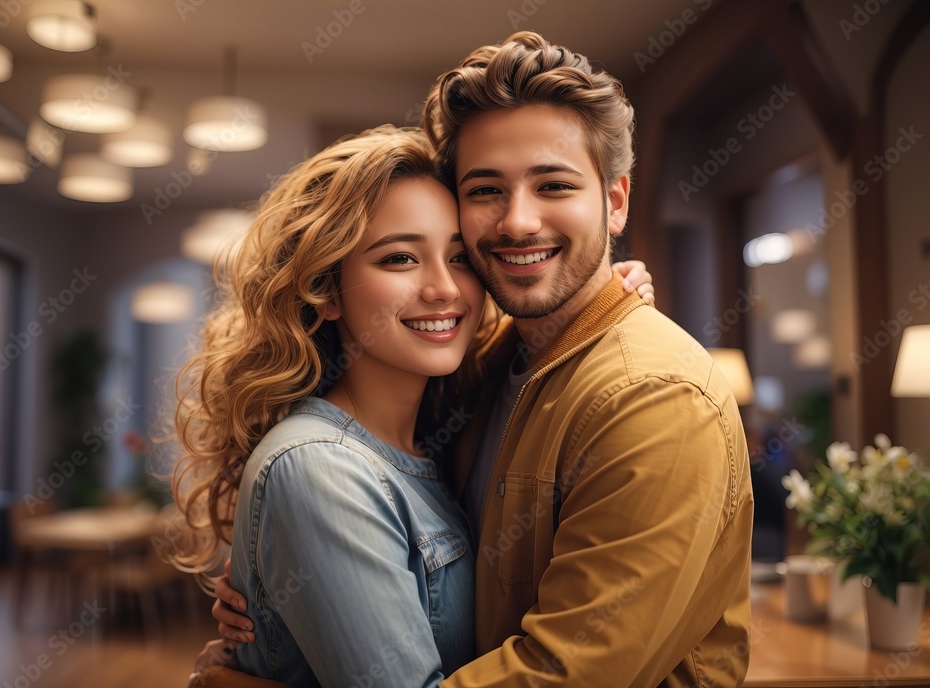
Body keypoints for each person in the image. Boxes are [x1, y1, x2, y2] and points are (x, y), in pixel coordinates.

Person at [208, 30, 753, 688]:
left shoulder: (656, 397)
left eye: (553, 185)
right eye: (487, 189)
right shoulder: (480, 373)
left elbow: (563, 673)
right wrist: (291, 597)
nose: (518, 222)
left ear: (613, 201)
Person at [174, 124, 655, 687]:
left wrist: (596, 300)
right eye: (400, 258)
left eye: (459, 258)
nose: (443, 289)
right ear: (325, 291)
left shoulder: (444, 434)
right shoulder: (318, 467)